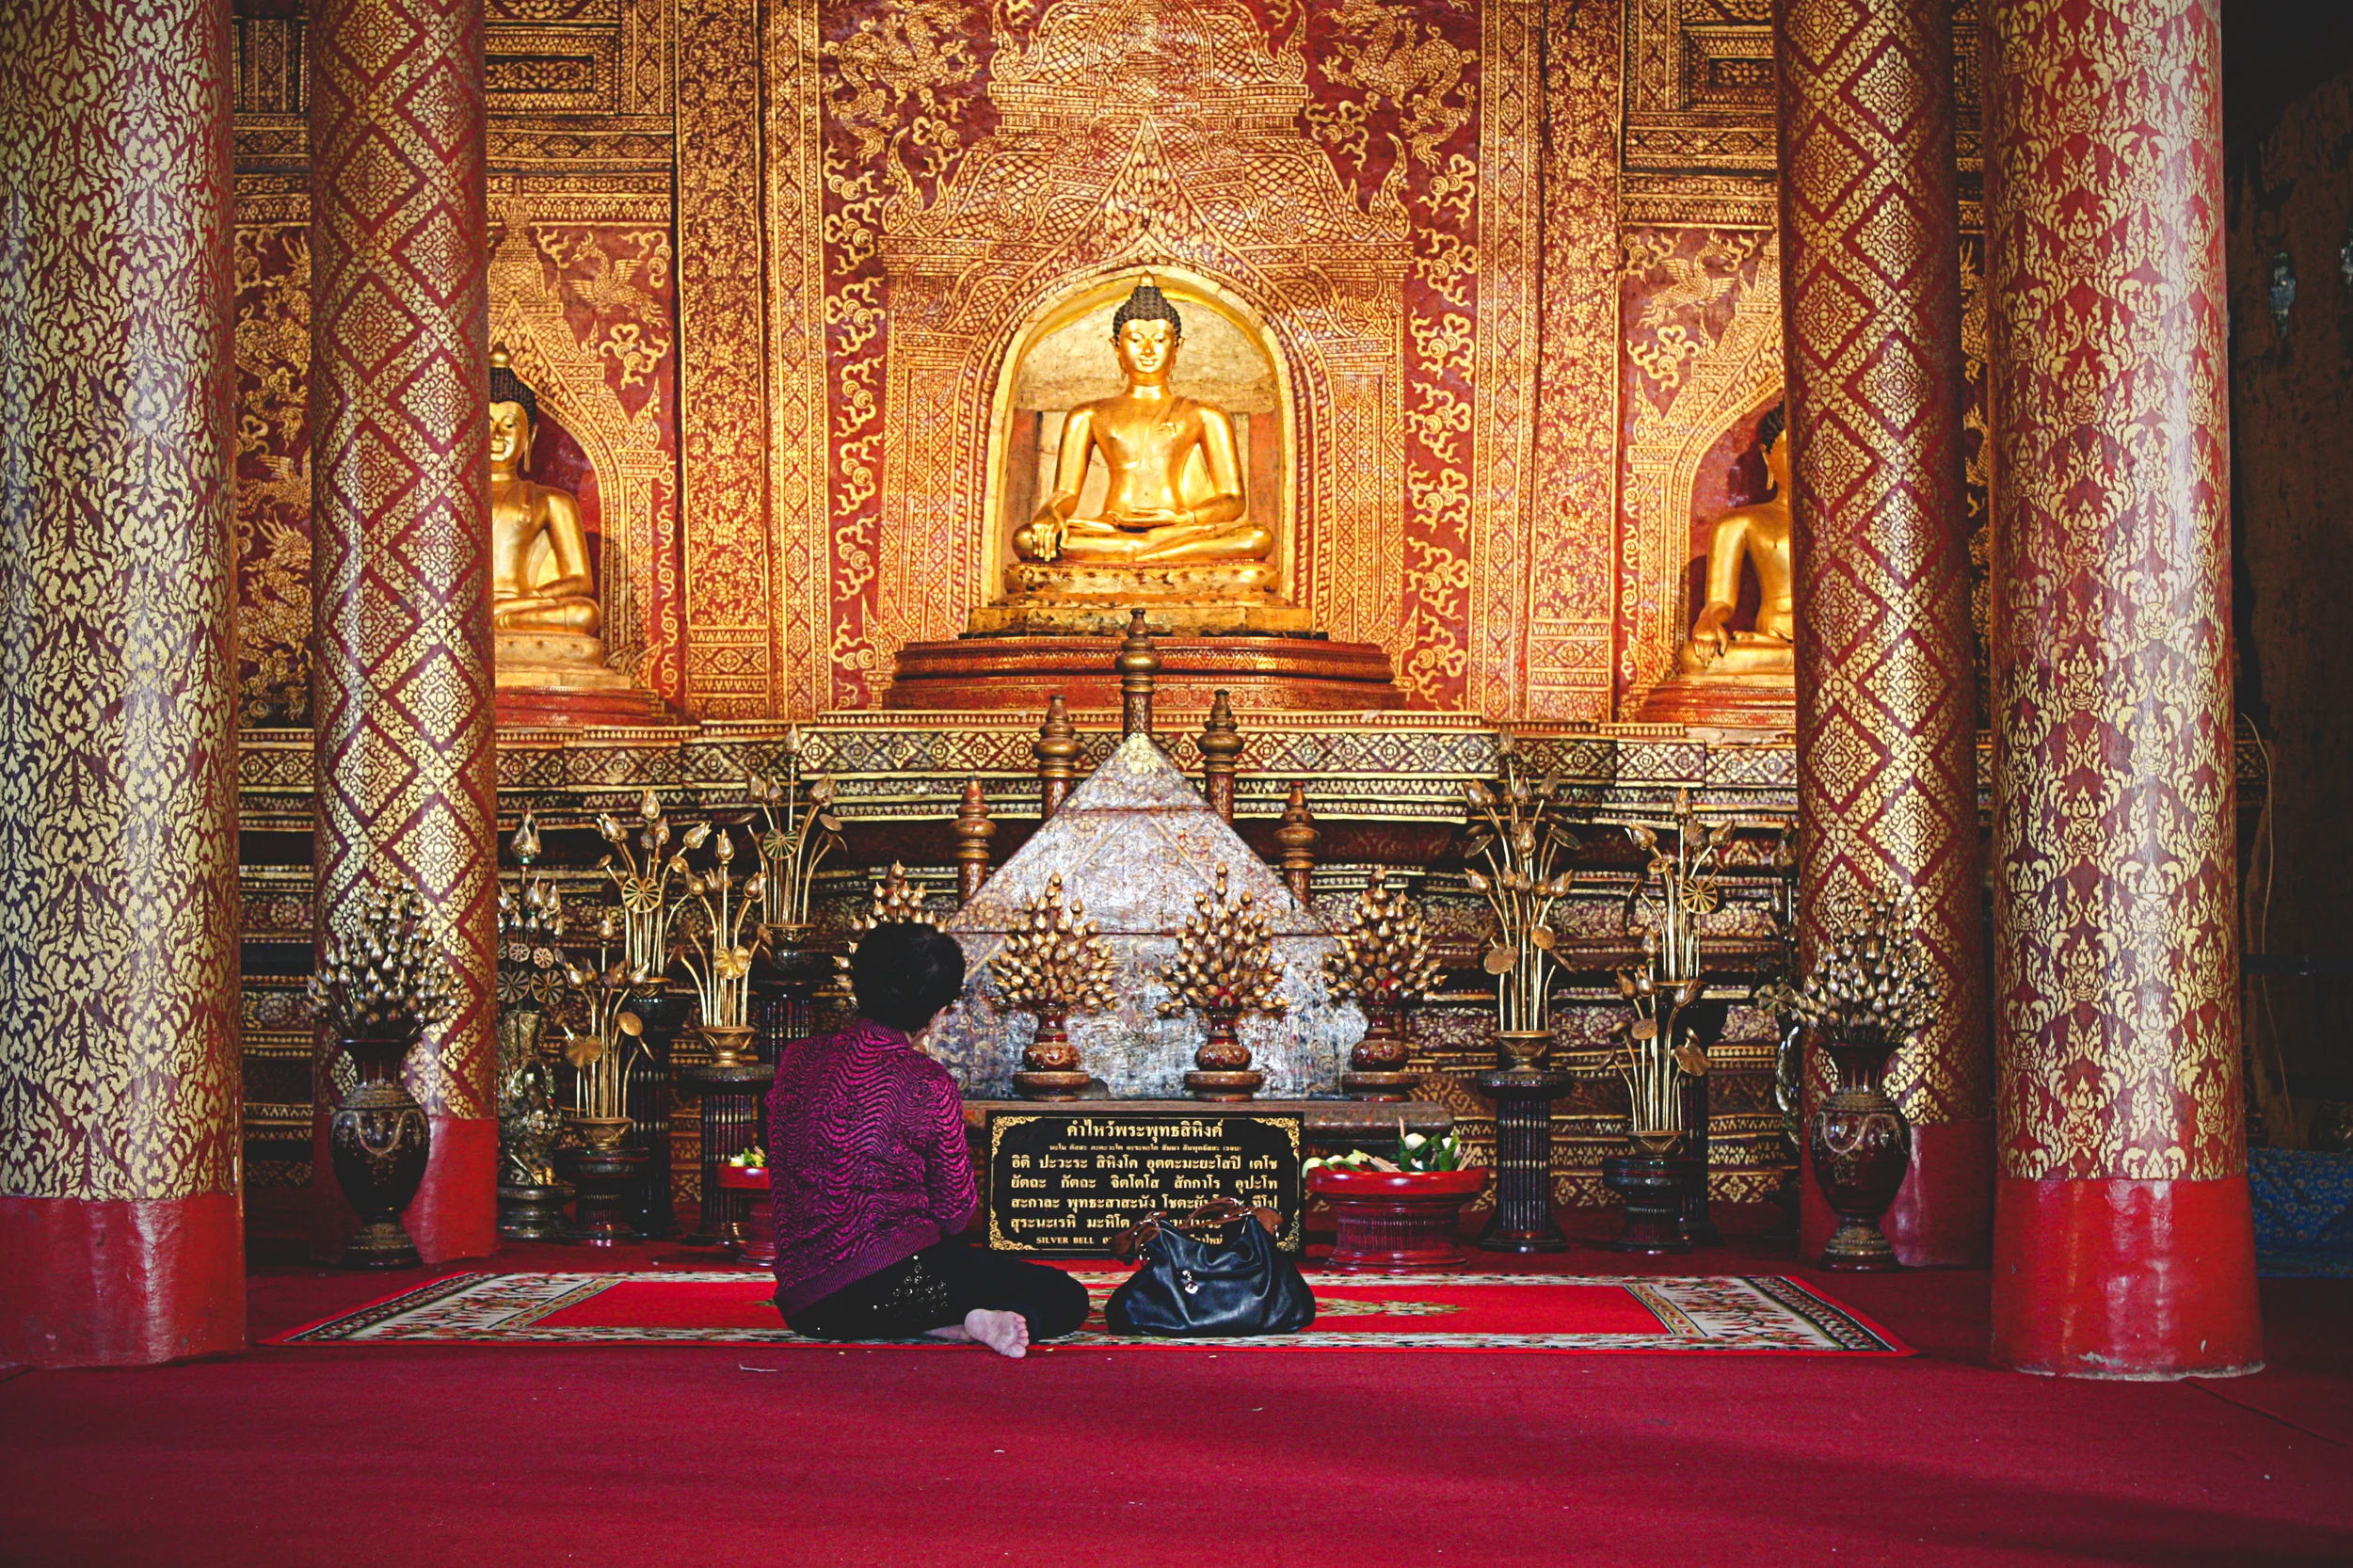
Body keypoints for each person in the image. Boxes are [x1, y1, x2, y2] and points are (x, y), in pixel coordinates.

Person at [765, 921, 1091, 1358]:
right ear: (938, 1010)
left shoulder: (797, 1059)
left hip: (805, 1305)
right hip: (899, 1284)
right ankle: (969, 1319)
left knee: (924, 1277)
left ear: (857, 985)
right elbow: (955, 1212)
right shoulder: (926, 1082)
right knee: (1065, 1295)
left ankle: (950, 1324)